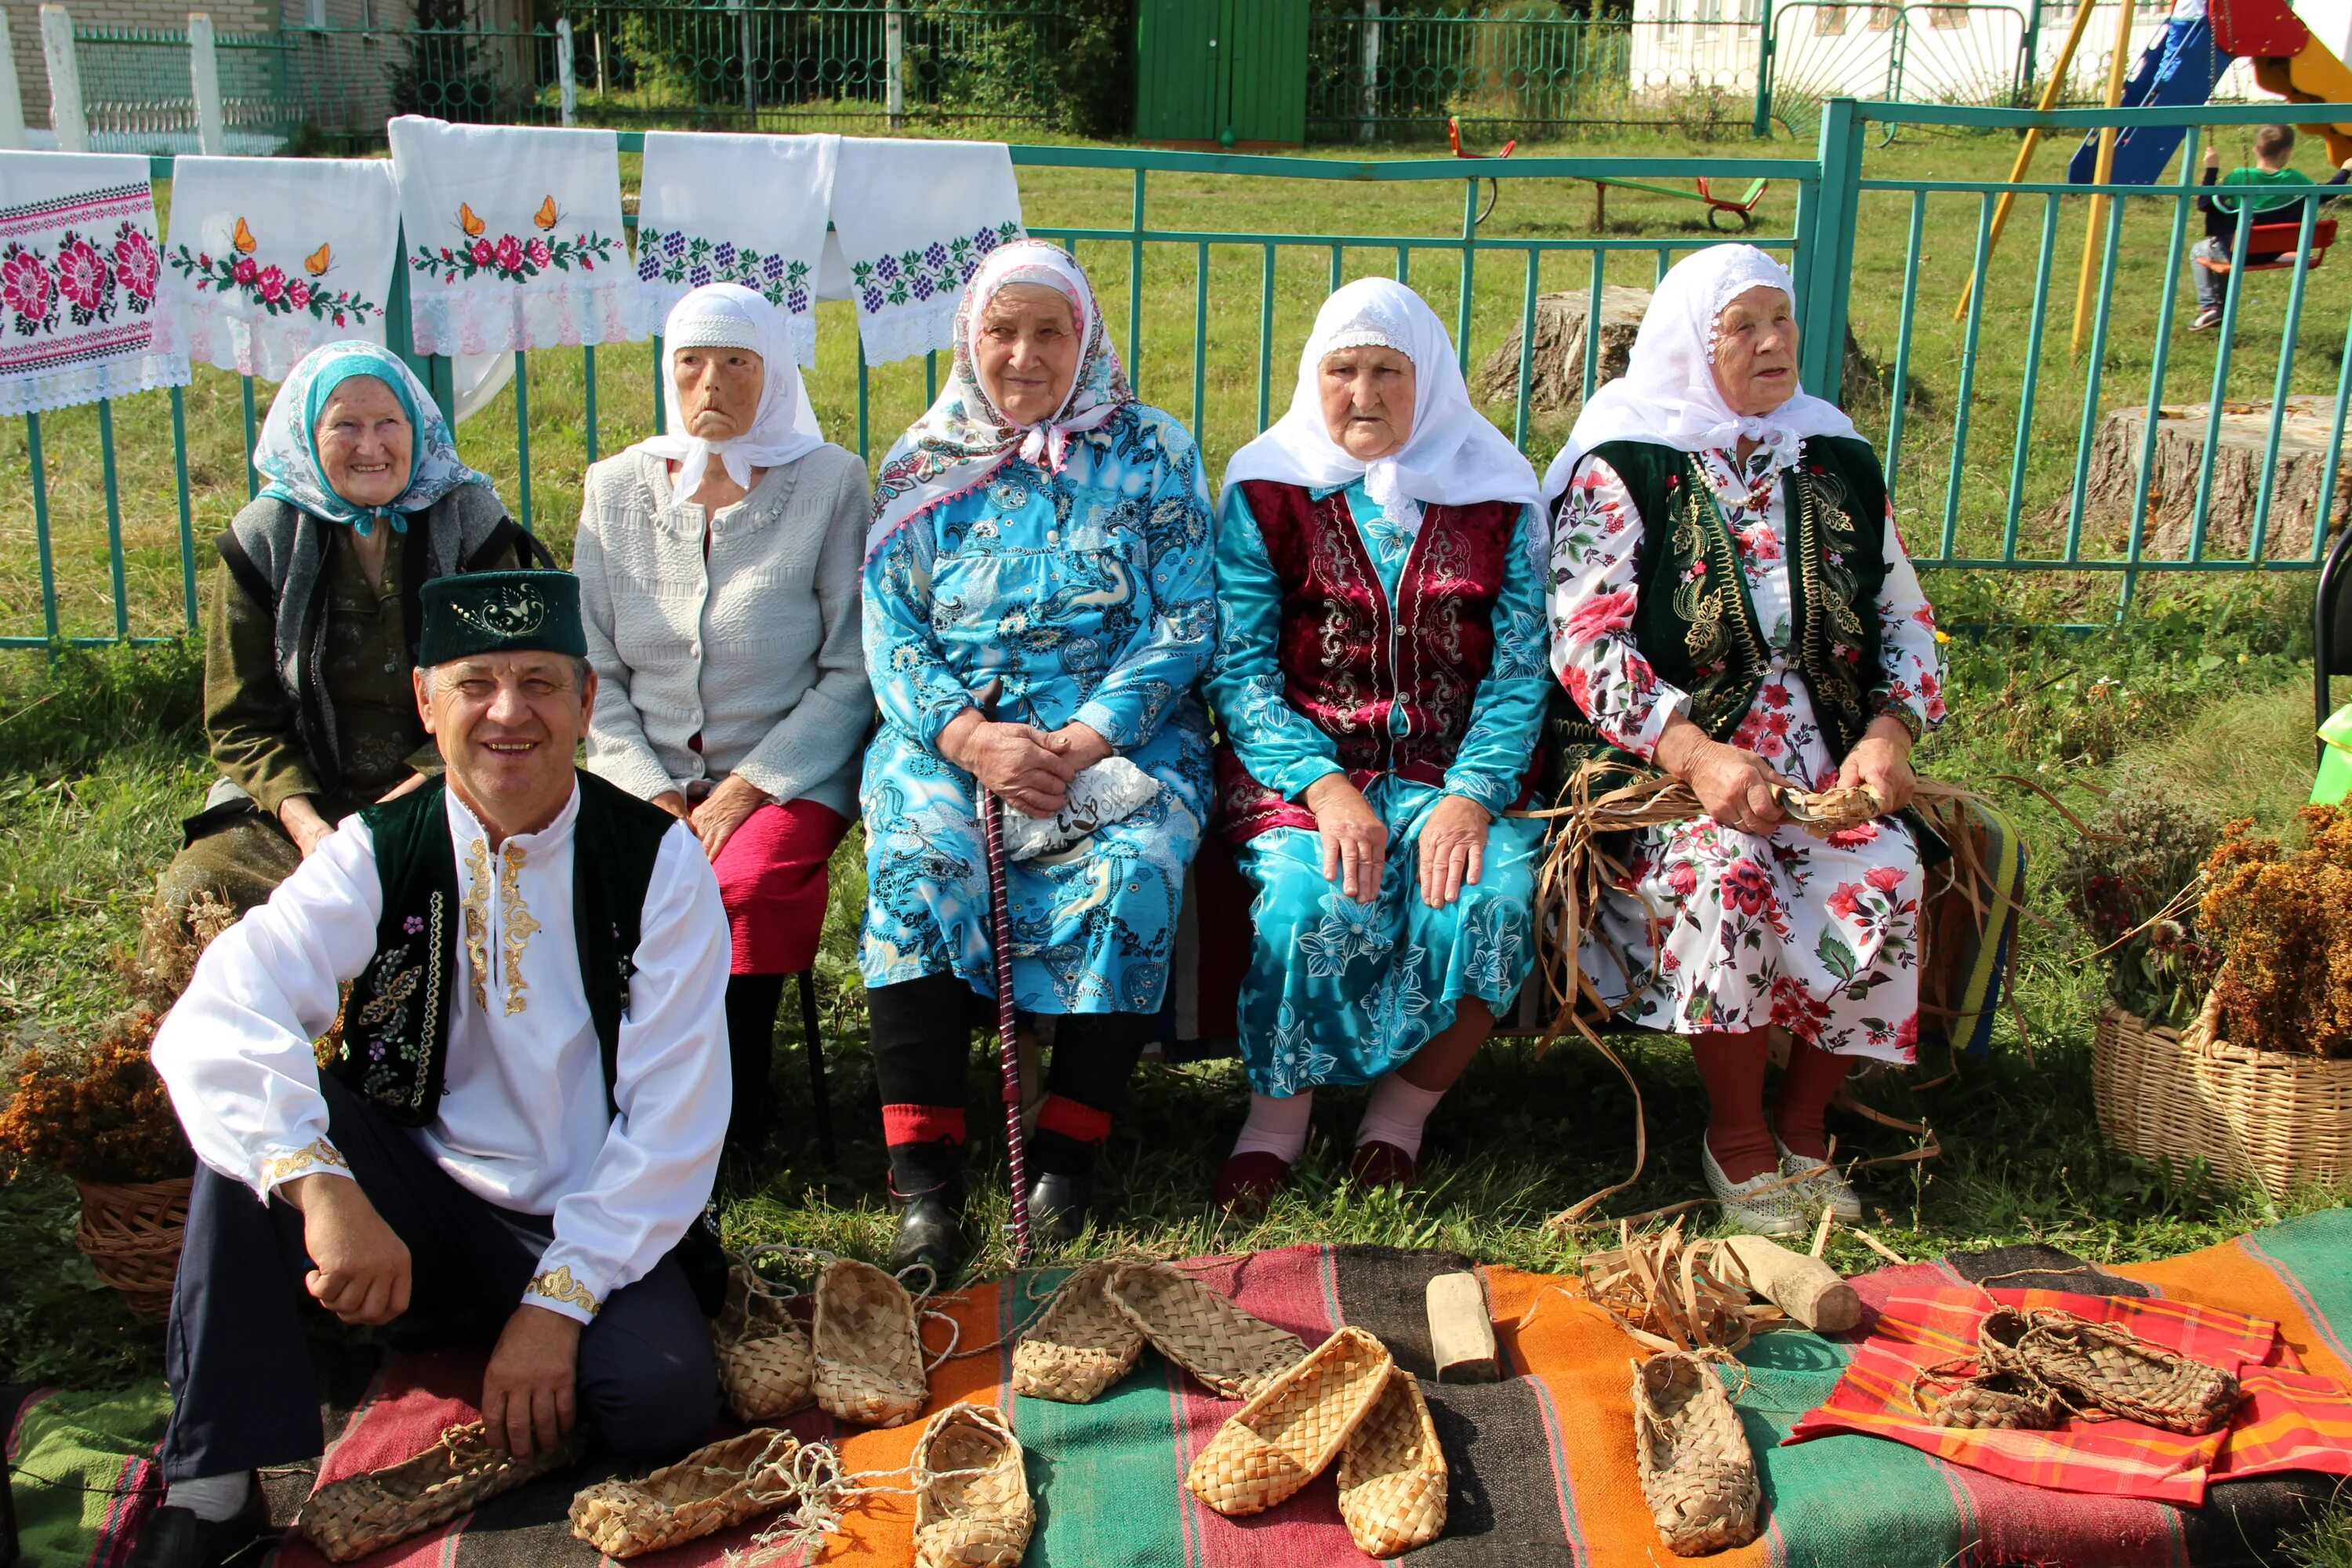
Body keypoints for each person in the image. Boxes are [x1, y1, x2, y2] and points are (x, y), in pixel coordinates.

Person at [136, 571, 731, 1568]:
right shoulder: (374, 849)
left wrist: (556, 1304)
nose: (510, 712)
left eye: (541, 681)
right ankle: (211, 1484)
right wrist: (322, 1186)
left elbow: (675, 1116)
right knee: (252, 1140)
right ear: (425, 700)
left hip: (581, 1210)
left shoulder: (658, 862)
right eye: (476, 682)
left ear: (587, 703)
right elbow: (222, 1007)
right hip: (409, 1191)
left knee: (664, 1401)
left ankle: (489, 1341)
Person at [1544, 244, 1946, 1236]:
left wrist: (1891, 731)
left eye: (1783, 322)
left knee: (1886, 872)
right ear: (1693, 340)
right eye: (1742, 327)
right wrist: (1696, 754)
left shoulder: (1836, 453)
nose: (1772, 344)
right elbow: (1585, 638)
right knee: (1729, 873)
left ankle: (1807, 1122)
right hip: (1673, 756)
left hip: (1829, 755)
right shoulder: (1627, 460)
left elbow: (1906, 618)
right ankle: (1739, 1134)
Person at [859, 239, 1215, 1277]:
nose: (1023, 354)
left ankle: (1068, 1155)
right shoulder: (922, 462)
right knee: (920, 857)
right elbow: (891, 634)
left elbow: (1189, 618)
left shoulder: (1153, 448)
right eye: (1001, 331)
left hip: (1111, 735)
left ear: (1085, 337)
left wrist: (1079, 740)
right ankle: (924, 1182)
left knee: (1136, 861)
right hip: (957, 741)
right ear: (971, 339)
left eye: (1047, 331)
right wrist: (972, 741)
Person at [1203, 278, 1551, 1212]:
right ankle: (1274, 1125)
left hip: (1461, 773)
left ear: (1428, 377)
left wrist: (1472, 792)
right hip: (1304, 770)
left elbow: (1522, 670)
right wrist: (1323, 786)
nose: (1364, 393)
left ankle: (1397, 1119)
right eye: (1343, 370)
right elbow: (1238, 669)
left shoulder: (1498, 496)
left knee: (1489, 903)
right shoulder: (1268, 489)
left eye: (1389, 371)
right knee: (1304, 903)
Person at [575, 284, 870, 1152]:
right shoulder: (616, 486)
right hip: (643, 767)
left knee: (740, 881)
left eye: (738, 363)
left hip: (788, 768)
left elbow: (851, 669)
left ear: (773, 373)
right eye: (691, 363)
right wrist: (650, 790)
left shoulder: (828, 481)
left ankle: (734, 1098)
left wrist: (742, 791)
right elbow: (591, 669)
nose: (712, 384)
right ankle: (626, 1088)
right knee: (613, 876)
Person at [149, 341, 539, 953]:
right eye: (346, 426)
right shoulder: (263, 539)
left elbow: (515, 685)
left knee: (480, 896)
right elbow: (239, 719)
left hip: (452, 785)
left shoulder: (469, 521)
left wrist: (395, 811)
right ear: (307, 434)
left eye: (389, 423)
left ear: (417, 428)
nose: (370, 445)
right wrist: (309, 829)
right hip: (306, 809)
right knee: (200, 888)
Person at [2189, 126, 2352, 330]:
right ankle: (2218, 309)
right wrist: (2346, 169)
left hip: (2238, 251)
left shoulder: (2239, 176)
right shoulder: (2293, 179)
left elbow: (2205, 204)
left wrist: (2211, 169)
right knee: (2222, 249)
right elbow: (2327, 193)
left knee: (2199, 250)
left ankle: (2209, 308)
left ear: (2256, 150)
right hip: (2273, 251)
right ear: (2288, 152)